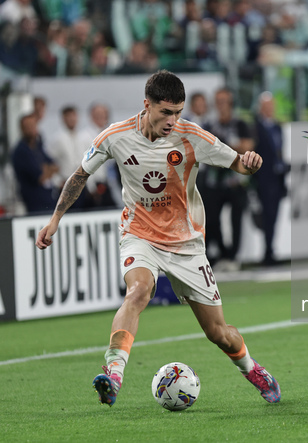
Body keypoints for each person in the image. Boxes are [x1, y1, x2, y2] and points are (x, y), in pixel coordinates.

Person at [35, 70, 280, 406]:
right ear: (146, 105)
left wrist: (250, 162)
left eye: (178, 112)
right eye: (166, 112)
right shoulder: (115, 136)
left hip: (186, 244)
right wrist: (55, 219)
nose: (172, 120)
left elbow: (239, 164)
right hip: (140, 235)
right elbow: (79, 175)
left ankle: (253, 369)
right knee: (138, 292)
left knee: (218, 333)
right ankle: (114, 373)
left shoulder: (191, 136)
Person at [201, 88, 254, 271]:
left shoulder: (240, 123)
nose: (221, 105)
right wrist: (232, 149)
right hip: (214, 181)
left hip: (235, 181)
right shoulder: (209, 124)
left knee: (236, 220)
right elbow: (205, 151)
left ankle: (233, 256)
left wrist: (222, 149)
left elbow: (247, 147)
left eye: (224, 101)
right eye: (218, 101)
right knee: (212, 220)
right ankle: (222, 253)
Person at [253, 92, 288, 266]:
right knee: (266, 216)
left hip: (277, 178)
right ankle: (267, 252)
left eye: (271, 106)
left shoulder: (277, 127)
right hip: (264, 179)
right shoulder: (256, 127)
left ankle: (271, 249)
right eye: (267, 106)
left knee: (274, 216)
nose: (270, 109)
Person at [11, 114, 59, 213]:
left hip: (49, 198)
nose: (31, 129)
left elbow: (55, 166)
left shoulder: (37, 146)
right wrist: (46, 170)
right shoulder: (21, 151)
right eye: (28, 126)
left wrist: (46, 169)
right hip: (35, 202)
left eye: (33, 126)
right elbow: (40, 177)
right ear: (22, 129)